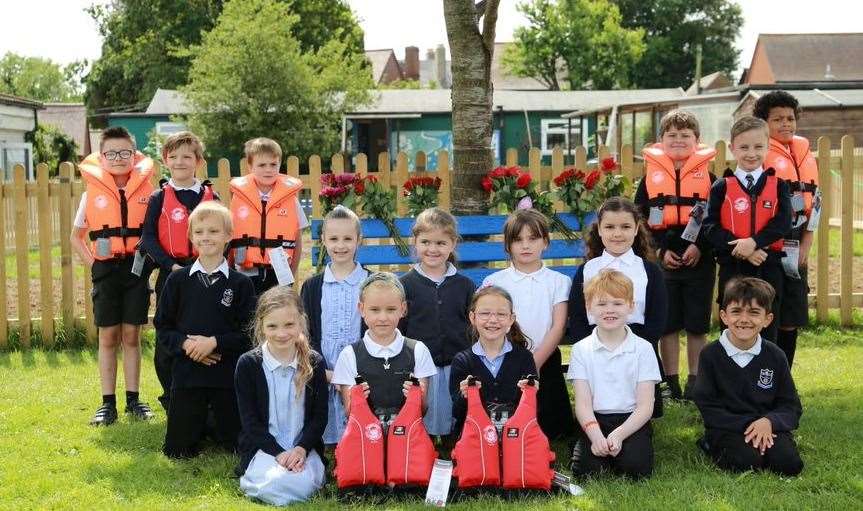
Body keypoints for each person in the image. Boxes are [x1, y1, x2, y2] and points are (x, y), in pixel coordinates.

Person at [154, 202, 256, 458]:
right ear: (190, 237)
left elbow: (248, 335)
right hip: (188, 375)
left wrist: (213, 343)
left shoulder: (241, 284)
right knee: (177, 451)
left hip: (226, 377)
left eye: (213, 231)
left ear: (228, 236)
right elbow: (163, 327)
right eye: (199, 232)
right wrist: (187, 345)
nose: (206, 237)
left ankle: (214, 424)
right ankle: (196, 424)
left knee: (235, 445)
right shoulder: (177, 281)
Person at [70, 126, 156, 426]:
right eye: (111, 153)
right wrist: (93, 264)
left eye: (125, 153)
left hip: (136, 269)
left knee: (132, 335)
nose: (118, 158)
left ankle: (134, 399)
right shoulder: (90, 194)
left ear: (134, 156)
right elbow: (76, 237)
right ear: (101, 158)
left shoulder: (149, 193)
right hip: (106, 271)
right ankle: (108, 404)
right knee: (108, 336)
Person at [634, 110, 717, 399]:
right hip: (663, 261)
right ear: (661, 140)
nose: (678, 140)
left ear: (697, 141)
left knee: (696, 324)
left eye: (685, 135)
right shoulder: (648, 180)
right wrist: (659, 249)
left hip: (700, 260)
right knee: (667, 324)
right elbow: (640, 219)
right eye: (672, 135)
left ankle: (696, 380)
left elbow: (715, 220)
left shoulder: (712, 179)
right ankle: (671, 381)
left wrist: (700, 246)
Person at [693, 277, 803, 476]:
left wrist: (769, 422)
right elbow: (707, 406)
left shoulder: (775, 355)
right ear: (724, 316)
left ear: (767, 319)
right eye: (736, 312)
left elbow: (791, 406)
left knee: (788, 465)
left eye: (754, 312)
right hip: (727, 427)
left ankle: (766, 445)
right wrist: (748, 425)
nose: (744, 319)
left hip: (767, 425)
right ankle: (709, 444)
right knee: (746, 462)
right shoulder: (710, 354)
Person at [568, 197, 667, 417]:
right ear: (600, 230)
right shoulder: (587, 270)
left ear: (636, 229)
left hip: (639, 346)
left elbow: (658, 318)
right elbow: (577, 318)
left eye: (625, 227)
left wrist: (637, 351)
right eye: (610, 227)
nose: (617, 234)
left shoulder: (649, 271)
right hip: (596, 343)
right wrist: (592, 351)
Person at [140, 130, 218, 410]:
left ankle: (205, 400)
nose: (180, 162)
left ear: (198, 161)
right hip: (171, 274)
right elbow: (148, 237)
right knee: (169, 337)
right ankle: (171, 398)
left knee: (204, 332)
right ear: (165, 161)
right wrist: (169, 265)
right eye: (173, 157)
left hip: (206, 273)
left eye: (187, 156)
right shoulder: (159, 198)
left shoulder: (211, 195)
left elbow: (223, 234)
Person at [481, 209, 574, 439]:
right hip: (505, 358)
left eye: (533, 239)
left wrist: (535, 362)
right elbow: (488, 322)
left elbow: (559, 326)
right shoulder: (495, 282)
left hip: (545, 357)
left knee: (551, 429)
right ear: (508, 246)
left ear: (545, 242)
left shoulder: (558, 281)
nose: (525, 246)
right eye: (518, 240)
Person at [234, 285, 329, 505]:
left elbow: (319, 417)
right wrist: (278, 453)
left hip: (302, 449)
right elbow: (250, 422)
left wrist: (301, 448)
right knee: (274, 482)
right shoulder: (249, 364)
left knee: (300, 482)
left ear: (301, 323)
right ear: (261, 326)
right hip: (266, 449)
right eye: (272, 326)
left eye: (289, 324)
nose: (281, 333)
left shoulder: (314, 362)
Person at [703, 116, 792, 343]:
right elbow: (710, 227)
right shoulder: (721, 187)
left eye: (758, 147)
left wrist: (754, 242)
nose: (751, 153)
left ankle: (765, 377)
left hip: (768, 265)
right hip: (733, 267)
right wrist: (743, 248)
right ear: (732, 148)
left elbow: (782, 223)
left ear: (768, 147)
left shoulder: (779, 185)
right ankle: (730, 377)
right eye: (743, 147)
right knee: (733, 325)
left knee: (767, 327)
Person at [567, 270, 661, 479]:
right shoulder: (581, 349)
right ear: (589, 307)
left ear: (631, 306)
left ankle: (623, 448)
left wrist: (618, 435)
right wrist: (595, 434)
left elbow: (645, 406)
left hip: (631, 419)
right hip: (594, 419)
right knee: (588, 473)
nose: (610, 310)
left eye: (617, 303)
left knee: (637, 469)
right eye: (602, 304)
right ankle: (583, 443)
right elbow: (582, 404)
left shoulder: (643, 348)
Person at [754, 91, 820, 367]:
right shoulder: (757, 154)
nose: (785, 124)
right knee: (769, 314)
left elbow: (816, 204)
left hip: (797, 243)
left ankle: (785, 379)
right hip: (768, 245)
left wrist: (806, 245)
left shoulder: (804, 153)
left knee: (791, 317)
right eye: (777, 119)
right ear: (763, 123)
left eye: (790, 118)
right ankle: (763, 378)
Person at [399, 207, 476, 440]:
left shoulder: (464, 285)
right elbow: (399, 329)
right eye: (425, 242)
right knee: (422, 415)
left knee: (456, 410)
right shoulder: (405, 284)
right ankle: (424, 444)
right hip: (421, 367)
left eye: (441, 243)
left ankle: (457, 443)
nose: (433, 249)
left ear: (453, 244)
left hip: (456, 364)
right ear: (415, 242)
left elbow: (473, 327)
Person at [300, 205, 368, 445]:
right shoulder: (312, 287)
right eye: (334, 238)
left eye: (348, 238)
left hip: (362, 370)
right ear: (323, 240)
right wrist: (325, 372)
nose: (341, 245)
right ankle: (325, 442)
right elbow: (305, 333)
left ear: (359, 239)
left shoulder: (370, 283)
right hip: (323, 367)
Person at [332, 272, 437, 425]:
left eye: (391, 309)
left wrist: (416, 396)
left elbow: (423, 410)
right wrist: (356, 399)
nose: (383, 318)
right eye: (374, 310)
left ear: (403, 309)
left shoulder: (418, 350)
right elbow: (349, 413)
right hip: (366, 440)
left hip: (407, 439)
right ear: (361, 309)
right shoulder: (349, 355)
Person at [449, 285, 537, 436]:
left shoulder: (524, 357)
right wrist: (465, 395)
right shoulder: (462, 361)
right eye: (485, 313)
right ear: (472, 318)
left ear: (511, 319)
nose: (493, 320)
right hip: (475, 438)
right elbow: (457, 412)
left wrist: (530, 391)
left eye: (501, 314)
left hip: (516, 437)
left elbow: (532, 410)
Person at [229, 137, 307, 295]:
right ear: (250, 167)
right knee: (246, 315)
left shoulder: (290, 200)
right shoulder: (238, 198)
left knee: (276, 314)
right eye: (262, 165)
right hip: (245, 271)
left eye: (273, 164)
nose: (268, 169)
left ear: (279, 165)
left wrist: (291, 272)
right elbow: (229, 235)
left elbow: (297, 240)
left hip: (279, 272)